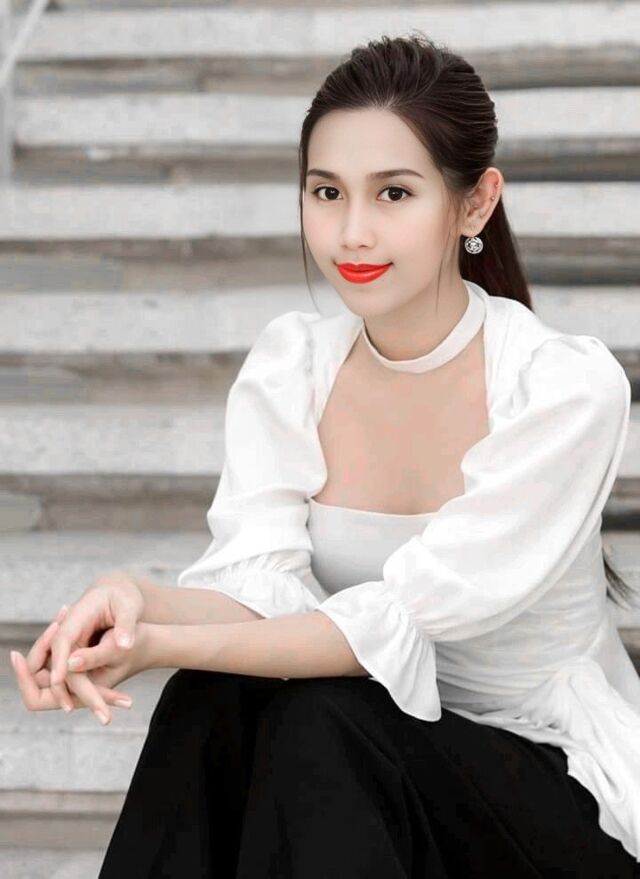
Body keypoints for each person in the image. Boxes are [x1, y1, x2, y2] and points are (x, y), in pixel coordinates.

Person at [10, 33, 640, 877]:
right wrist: (131, 599)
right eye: (326, 191)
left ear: (475, 204)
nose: (351, 232)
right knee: (216, 696)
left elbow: (390, 626)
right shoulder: (295, 365)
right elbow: (259, 590)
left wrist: (160, 639)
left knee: (320, 720)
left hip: (554, 794)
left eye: (394, 193)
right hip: (366, 783)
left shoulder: (561, 388)